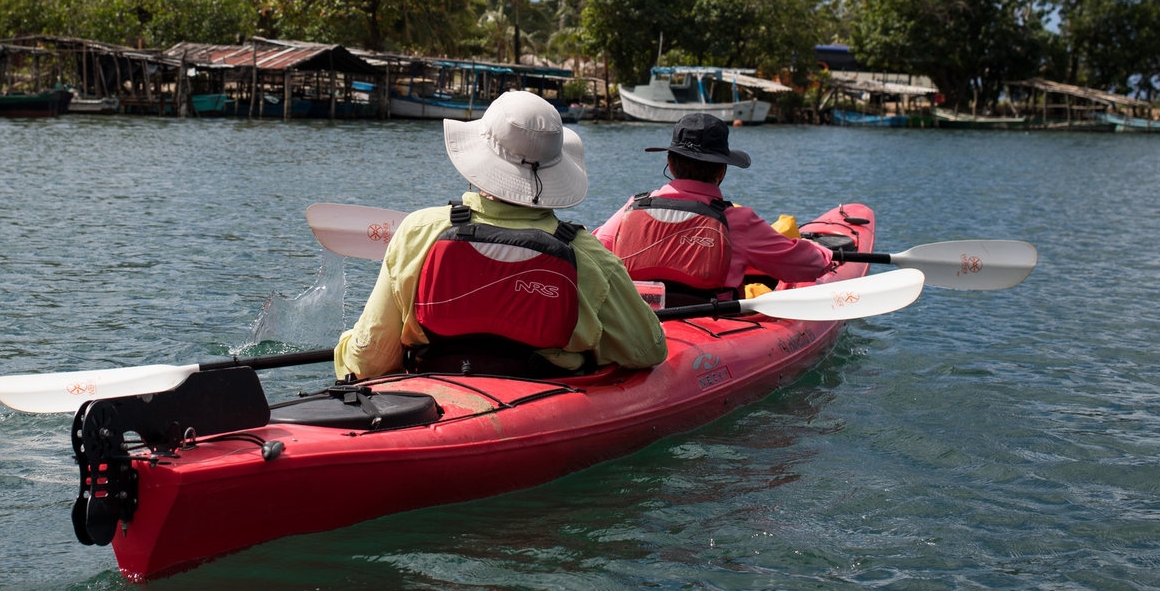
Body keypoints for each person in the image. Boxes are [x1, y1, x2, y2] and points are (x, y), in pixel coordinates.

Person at [333, 91, 669, 380]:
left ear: (479, 162)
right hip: (546, 399)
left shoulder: (418, 231)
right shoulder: (589, 256)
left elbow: (369, 361)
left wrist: (347, 345)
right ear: (555, 166)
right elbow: (647, 350)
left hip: (435, 387)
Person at [593, 112, 831, 305]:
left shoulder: (633, 207)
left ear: (670, 163)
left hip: (640, 322)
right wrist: (823, 252)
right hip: (711, 325)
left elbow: (593, 252)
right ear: (722, 171)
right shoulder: (737, 221)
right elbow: (810, 266)